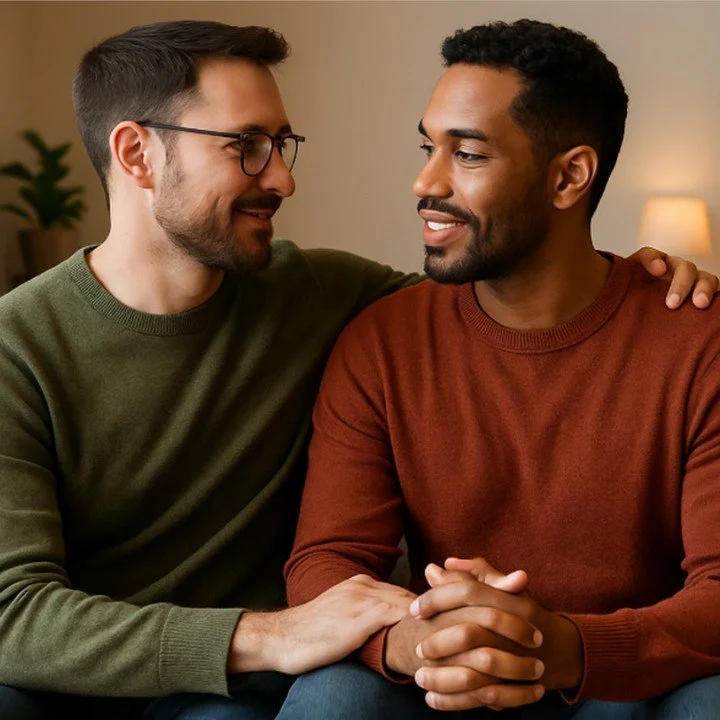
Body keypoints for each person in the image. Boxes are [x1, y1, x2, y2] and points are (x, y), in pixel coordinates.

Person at [0, 18, 712, 720]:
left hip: (241, 695)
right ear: (136, 154)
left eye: (281, 144)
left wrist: (653, 284)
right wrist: (286, 634)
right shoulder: (18, 347)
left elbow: (525, 304)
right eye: (246, 145)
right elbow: (12, 615)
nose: (282, 178)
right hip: (130, 672)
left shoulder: (330, 297)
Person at [284, 18, 720, 720]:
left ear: (569, 176)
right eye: (429, 146)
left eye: (469, 155)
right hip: (444, 676)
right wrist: (411, 640)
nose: (425, 181)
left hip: (627, 680)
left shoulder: (700, 342)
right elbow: (326, 563)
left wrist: (563, 646)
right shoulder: (380, 341)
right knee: (331, 696)